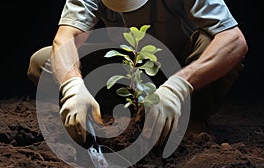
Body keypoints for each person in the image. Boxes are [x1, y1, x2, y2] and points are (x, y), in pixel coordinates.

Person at [27, 0, 248, 150]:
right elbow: (65, 38)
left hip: (184, 68)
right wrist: (72, 85)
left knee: (214, 43)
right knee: (44, 62)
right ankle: (114, 117)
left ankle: (190, 121)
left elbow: (234, 40)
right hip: (131, 68)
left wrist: (178, 86)